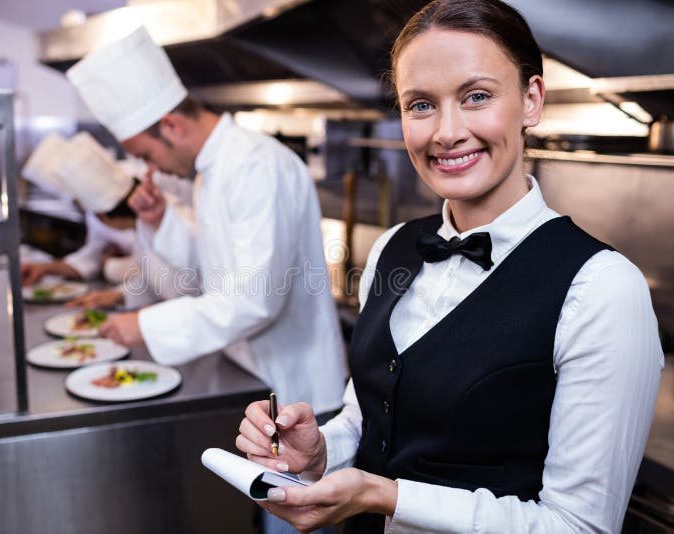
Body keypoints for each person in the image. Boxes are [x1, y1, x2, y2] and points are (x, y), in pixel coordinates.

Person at [235, 1, 664, 532]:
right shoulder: (395, 247)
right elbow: (368, 418)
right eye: (420, 105)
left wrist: (388, 496)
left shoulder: (601, 288)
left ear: (531, 100)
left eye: (476, 96)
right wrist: (320, 450)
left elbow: (578, 525)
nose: (446, 132)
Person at [66, 26, 347, 417]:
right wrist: (160, 220)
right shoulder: (209, 173)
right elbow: (210, 274)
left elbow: (256, 297)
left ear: (171, 126)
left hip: (295, 389)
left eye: (146, 155)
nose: (150, 168)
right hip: (249, 376)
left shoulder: (256, 165)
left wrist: (148, 325)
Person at [21, 131, 188, 308]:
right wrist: (119, 295)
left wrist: (111, 267)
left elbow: (185, 288)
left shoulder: (165, 213)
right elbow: (155, 282)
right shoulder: (138, 224)